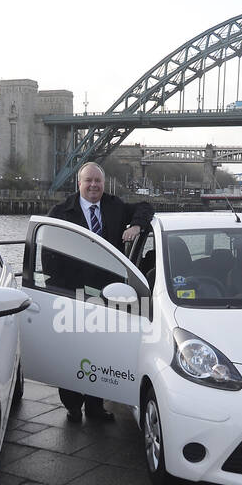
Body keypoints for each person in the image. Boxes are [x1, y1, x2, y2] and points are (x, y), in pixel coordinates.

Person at [46, 162, 154, 423]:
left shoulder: (114, 206)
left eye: (98, 181)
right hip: (73, 294)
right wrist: (60, 293)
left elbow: (145, 207)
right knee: (72, 352)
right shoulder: (60, 212)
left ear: (103, 184)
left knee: (100, 351)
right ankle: (72, 404)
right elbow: (48, 255)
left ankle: (95, 406)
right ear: (79, 183)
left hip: (107, 295)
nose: (94, 185)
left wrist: (137, 225)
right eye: (89, 181)